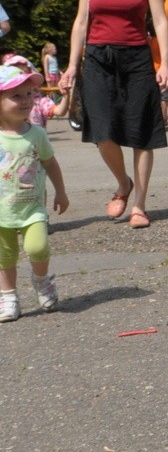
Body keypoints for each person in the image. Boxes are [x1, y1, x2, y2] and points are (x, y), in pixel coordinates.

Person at [59, 0, 168, 230]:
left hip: (136, 57)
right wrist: (71, 65)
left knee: (141, 133)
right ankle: (123, 183)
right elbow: (81, 21)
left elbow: (161, 21)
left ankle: (139, 204)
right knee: (102, 131)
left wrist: (164, 62)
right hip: (97, 58)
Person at [0, 62, 69, 321]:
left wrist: (61, 192)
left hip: (32, 207)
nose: (26, 100)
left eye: (29, 93)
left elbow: (50, 163)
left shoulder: (37, 135)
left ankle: (41, 280)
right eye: (16, 95)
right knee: (4, 255)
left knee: (38, 247)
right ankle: (8, 296)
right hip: (1, 210)